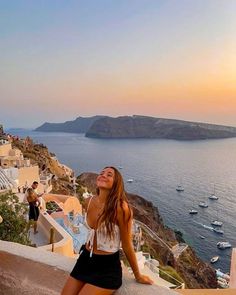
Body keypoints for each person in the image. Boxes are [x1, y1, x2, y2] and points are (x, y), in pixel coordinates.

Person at [61, 167, 153, 295]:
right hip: (85, 260)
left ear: (116, 183)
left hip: (106, 268)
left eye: (109, 174)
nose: (103, 175)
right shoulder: (88, 202)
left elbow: (127, 245)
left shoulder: (121, 209)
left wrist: (138, 275)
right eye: (101, 173)